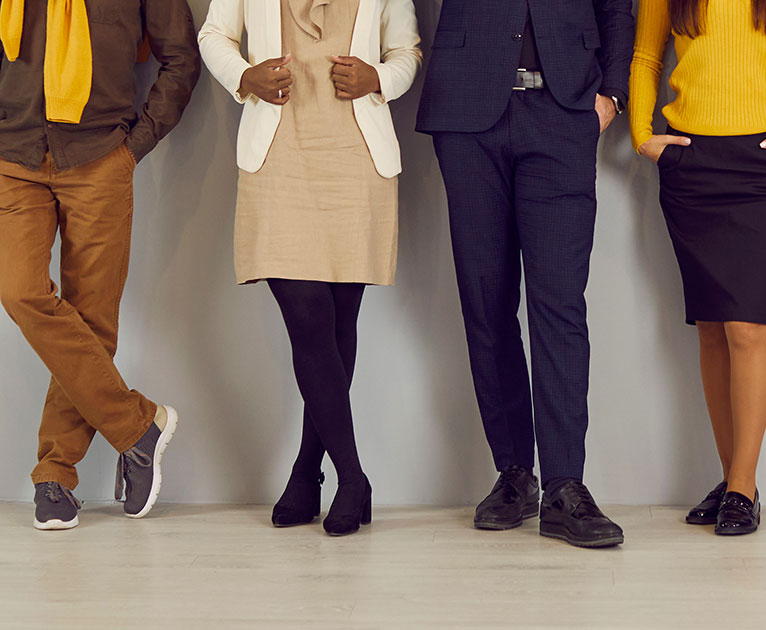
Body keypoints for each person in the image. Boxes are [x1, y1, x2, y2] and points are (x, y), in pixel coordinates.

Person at [198, 0, 421, 536]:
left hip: (356, 159)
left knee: (339, 325)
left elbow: (406, 52)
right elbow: (214, 35)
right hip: (278, 156)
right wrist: (245, 76)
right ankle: (351, 474)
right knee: (308, 318)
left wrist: (378, 78)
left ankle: (305, 473)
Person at [416, 0, 634, 548]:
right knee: (486, 302)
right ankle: (515, 473)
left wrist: (612, 92)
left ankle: (565, 485)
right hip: (467, 113)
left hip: (564, 112)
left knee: (559, 302)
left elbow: (617, 7)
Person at [0, 0, 200, 530]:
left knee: (92, 316)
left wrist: (133, 147)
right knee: (19, 291)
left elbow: (180, 57)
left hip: (100, 158)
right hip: (14, 158)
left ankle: (55, 475)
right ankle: (138, 427)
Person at [629, 0, 766, 535]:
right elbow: (646, 55)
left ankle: (742, 487)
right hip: (693, 165)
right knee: (712, 329)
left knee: (747, 326)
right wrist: (642, 136)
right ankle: (735, 480)